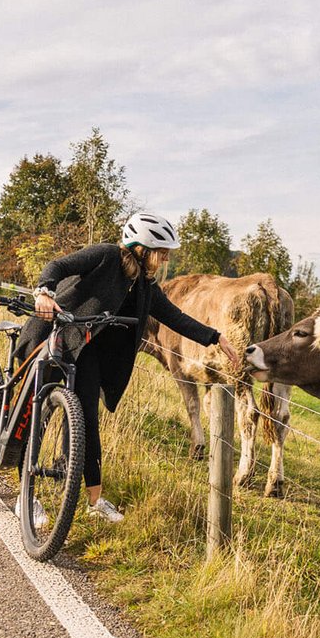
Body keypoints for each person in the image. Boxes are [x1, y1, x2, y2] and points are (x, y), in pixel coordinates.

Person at [18, 211, 238, 523]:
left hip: (88, 352)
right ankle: (26, 496)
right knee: (38, 414)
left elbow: (174, 317)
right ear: (141, 249)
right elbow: (58, 266)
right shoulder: (106, 256)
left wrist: (215, 337)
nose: (164, 261)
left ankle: (94, 501)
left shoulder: (146, 286)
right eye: (161, 254)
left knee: (85, 422)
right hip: (55, 336)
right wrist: (44, 292)